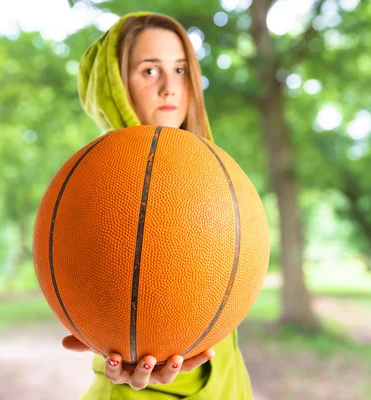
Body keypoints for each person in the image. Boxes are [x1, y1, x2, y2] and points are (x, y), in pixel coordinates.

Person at [65, 11, 253, 399]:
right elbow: (104, 302)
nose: (170, 87)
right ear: (115, 85)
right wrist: (119, 349)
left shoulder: (215, 180)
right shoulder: (95, 188)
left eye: (181, 70)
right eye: (150, 71)